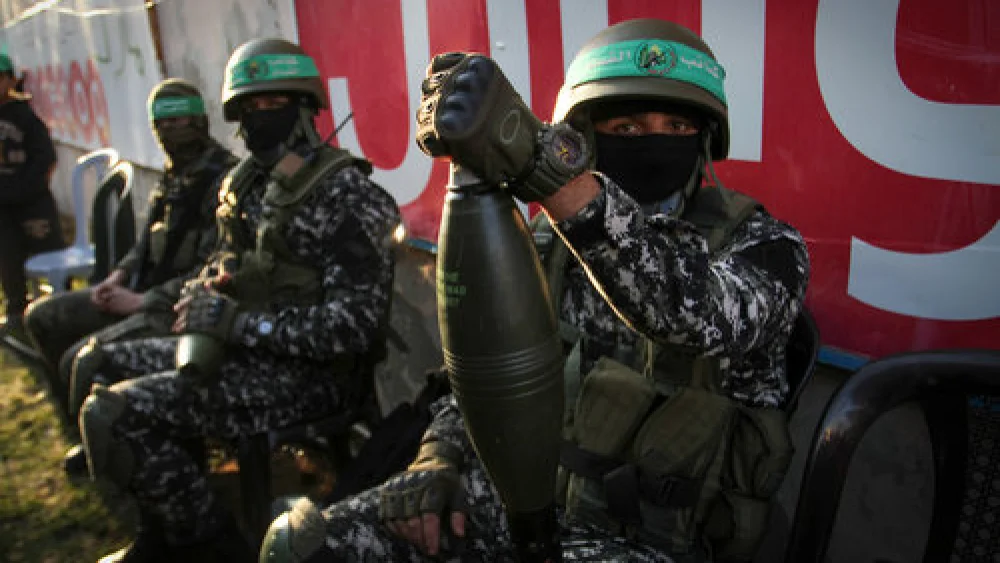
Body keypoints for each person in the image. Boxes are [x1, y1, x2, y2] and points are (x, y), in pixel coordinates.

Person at [260, 18, 810, 563]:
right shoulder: (551, 240)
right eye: (627, 128)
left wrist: (548, 170)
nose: (653, 141)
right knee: (302, 547)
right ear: (589, 135)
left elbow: (690, 314)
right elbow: (483, 378)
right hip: (522, 501)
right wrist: (438, 458)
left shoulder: (766, 248)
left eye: (677, 126)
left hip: (652, 539)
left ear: (705, 138)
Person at [76, 38, 401, 563]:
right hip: (243, 353)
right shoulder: (245, 187)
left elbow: (354, 329)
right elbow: (223, 261)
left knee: (115, 413)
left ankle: (206, 543)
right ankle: (171, 513)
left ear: (305, 108)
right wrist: (205, 290)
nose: (259, 117)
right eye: (249, 107)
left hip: (313, 378)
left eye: (274, 103)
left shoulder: (351, 198)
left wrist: (240, 324)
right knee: (100, 364)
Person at [23, 78, 237, 415]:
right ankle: (76, 423)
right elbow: (147, 242)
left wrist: (141, 301)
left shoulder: (225, 181)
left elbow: (217, 268)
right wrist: (116, 278)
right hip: (140, 290)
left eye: (178, 120)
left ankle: (100, 427)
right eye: (161, 123)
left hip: (178, 308)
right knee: (42, 316)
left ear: (199, 121)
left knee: (81, 360)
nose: (169, 131)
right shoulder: (174, 174)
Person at [0, 53, 64, 347]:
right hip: (2, 208)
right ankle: (16, 310)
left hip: (32, 202)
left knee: (49, 253)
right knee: (7, 255)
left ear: (11, 80)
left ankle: (60, 306)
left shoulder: (25, 117)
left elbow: (45, 158)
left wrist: (23, 188)